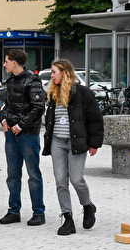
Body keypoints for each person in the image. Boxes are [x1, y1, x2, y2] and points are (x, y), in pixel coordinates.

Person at [43, 59, 104, 235]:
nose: (52, 75)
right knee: (60, 180)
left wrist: (94, 143)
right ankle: (67, 217)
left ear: (65, 73)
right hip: (57, 142)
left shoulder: (82, 93)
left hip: (76, 142)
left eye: (54, 72)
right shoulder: (53, 92)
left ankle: (88, 206)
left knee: (76, 179)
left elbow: (95, 118)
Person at [0, 49, 46, 226]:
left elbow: (38, 107)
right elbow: (6, 105)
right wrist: (4, 119)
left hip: (27, 135)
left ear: (15, 63)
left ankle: (38, 213)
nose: (4, 64)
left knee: (33, 174)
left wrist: (21, 125)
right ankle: (13, 211)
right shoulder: (10, 81)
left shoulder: (32, 81)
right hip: (11, 134)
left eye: (6, 61)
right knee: (12, 175)